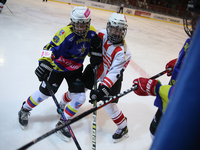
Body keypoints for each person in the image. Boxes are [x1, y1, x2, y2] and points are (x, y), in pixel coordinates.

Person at [18, 6, 101, 141]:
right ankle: (24, 109)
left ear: (89, 22)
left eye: (84, 24)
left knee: (80, 98)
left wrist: (96, 52)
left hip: (75, 70)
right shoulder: (64, 34)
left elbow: (89, 50)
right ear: (72, 22)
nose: (80, 27)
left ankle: (63, 122)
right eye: (77, 24)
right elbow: (49, 48)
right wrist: (44, 63)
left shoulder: (92, 33)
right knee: (44, 94)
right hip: (57, 69)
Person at [132, 0, 200, 140]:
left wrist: (155, 88)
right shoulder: (193, 40)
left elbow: (188, 96)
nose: (192, 22)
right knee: (154, 131)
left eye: (197, 18)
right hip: (168, 104)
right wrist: (179, 64)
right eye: (192, 17)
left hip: (182, 113)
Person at [60, 13, 131, 143]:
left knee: (109, 106)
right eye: (114, 28)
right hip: (94, 69)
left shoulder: (124, 52)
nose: (116, 32)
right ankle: (62, 104)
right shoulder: (101, 34)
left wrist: (102, 89)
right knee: (77, 91)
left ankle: (123, 127)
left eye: (119, 29)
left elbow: (114, 72)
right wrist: (93, 51)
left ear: (124, 31)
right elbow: (87, 46)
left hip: (111, 79)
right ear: (108, 27)